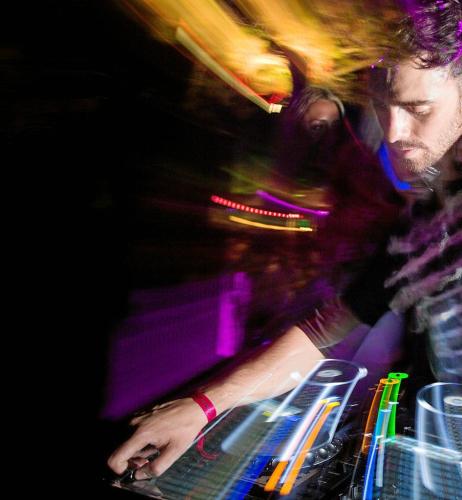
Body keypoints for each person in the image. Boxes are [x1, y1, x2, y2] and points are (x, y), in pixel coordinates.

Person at [108, 0, 461, 481]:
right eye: (385, 106)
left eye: (418, 109)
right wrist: (203, 407)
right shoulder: (431, 216)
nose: (395, 132)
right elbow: (327, 328)